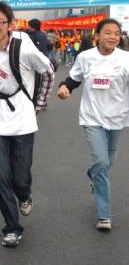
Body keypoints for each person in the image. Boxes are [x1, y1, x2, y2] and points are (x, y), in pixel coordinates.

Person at [0, 1, 55, 247]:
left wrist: (39, 103)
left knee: (20, 178)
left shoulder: (23, 48)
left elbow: (48, 71)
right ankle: (12, 227)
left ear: (10, 25)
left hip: (23, 121)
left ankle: (24, 195)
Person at [58, 18, 129, 231]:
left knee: (107, 162)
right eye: (108, 33)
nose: (113, 37)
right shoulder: (86, 57)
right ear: (97, 35)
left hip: (118, 117)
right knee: (101, 161)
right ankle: (104, 215)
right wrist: (64, 88)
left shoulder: (125, 59)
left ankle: (94, 176)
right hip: (92, 118)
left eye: (117, 33)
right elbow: (74, 78)